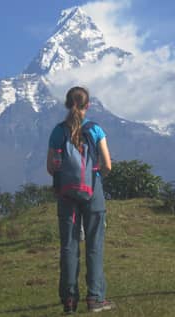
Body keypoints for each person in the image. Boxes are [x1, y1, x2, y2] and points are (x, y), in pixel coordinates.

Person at [47, 86, 115, 314]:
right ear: (88, 105)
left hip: (66, 193)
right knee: (94, 244)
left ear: (67, 104)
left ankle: (69, 300)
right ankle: (95, 298)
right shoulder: (96, 130)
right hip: (93, 190)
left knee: (69, 245)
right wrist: (94, 176)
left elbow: (50, 167)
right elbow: (107, 165)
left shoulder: (58, 132)